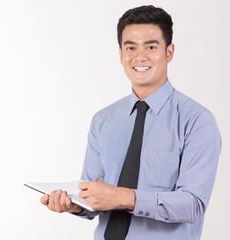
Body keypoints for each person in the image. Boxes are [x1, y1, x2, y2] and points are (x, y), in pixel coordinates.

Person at [39, 5, 222, 240]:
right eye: (131, 47)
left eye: (151, 46)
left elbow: (193, 204)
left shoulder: (197, 121)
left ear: (169, 52)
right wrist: (72, 204)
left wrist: (124, 197)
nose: (140, 56)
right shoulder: (103, 120)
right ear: (121, 55)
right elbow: (89, 195)